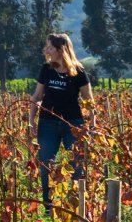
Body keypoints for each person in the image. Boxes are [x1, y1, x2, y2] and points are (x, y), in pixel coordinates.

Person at [29, 32, 95, 208]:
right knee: (46, 164)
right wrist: (31, 120)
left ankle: (74, 205)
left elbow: (89, 100)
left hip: (72, 124)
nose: (46, 50)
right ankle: (49, 207)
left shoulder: (79, 72)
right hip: (48, 123)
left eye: (50, 47)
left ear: (61, 49)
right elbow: (37, 96)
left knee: (76, 165)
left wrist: (92, 125)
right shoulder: (46, 69)